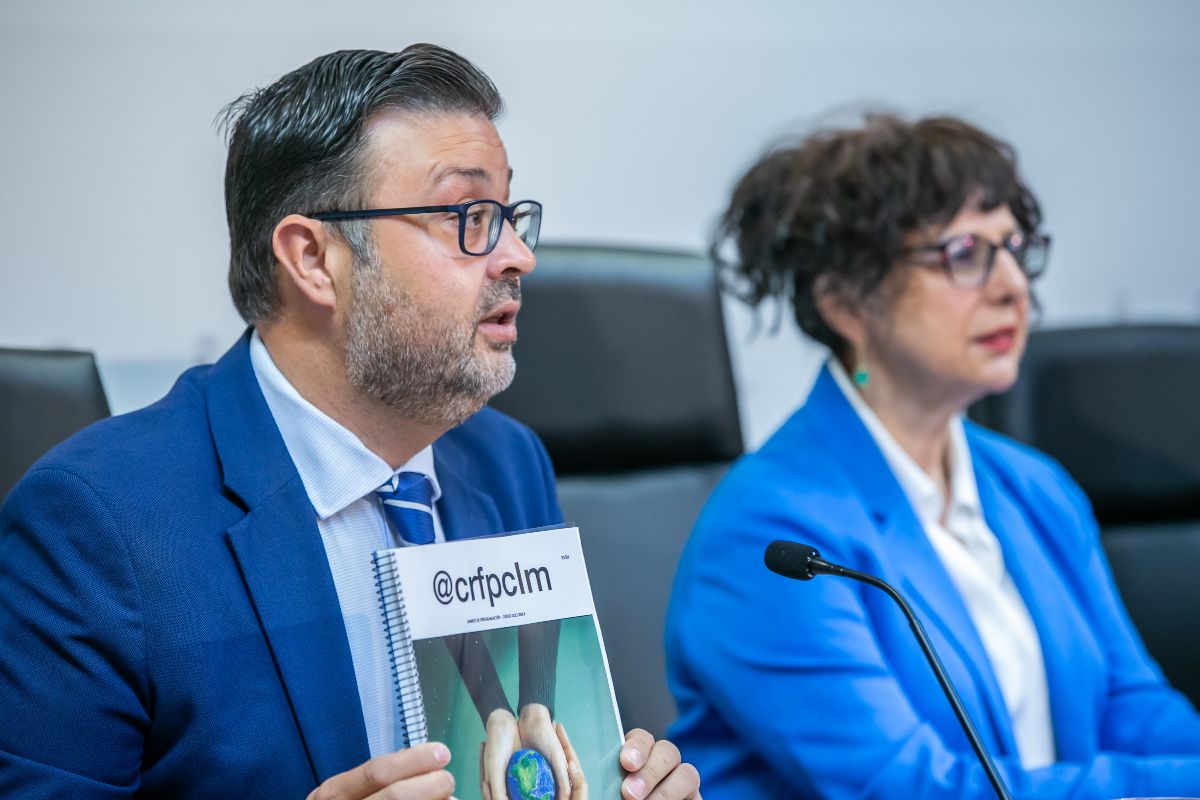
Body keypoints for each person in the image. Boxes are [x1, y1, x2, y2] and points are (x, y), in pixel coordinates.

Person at [0, 45, 700, 800]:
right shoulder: (97, 523)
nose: (520, 256)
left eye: (510, 215)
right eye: (470, 216)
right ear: (311, 258)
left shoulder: (506, 463)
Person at [664, 113, 1200, 798]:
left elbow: (1131, 706)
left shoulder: (1035, 487)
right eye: (964, 254)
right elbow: (913, 788)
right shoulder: (770, 536)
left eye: (1014, 248)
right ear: (846, 303)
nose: (1012, 286)